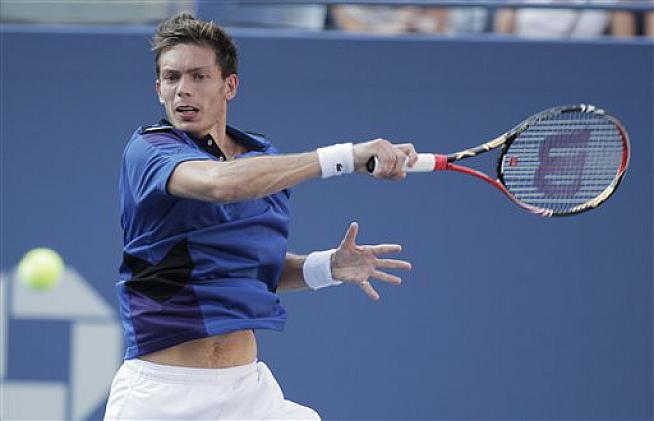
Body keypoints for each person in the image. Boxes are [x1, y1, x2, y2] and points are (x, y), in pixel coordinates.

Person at [104, 13, 417, 420]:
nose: (183, 90)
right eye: (171, 77)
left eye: (199, 76)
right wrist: (346, 157)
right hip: (162, 395)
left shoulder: (261, 159)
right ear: (158, 88)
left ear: (229, 86)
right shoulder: (149, 151)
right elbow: (222, 184)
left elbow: (252, 267)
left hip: (248, 393)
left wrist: (326, 267)